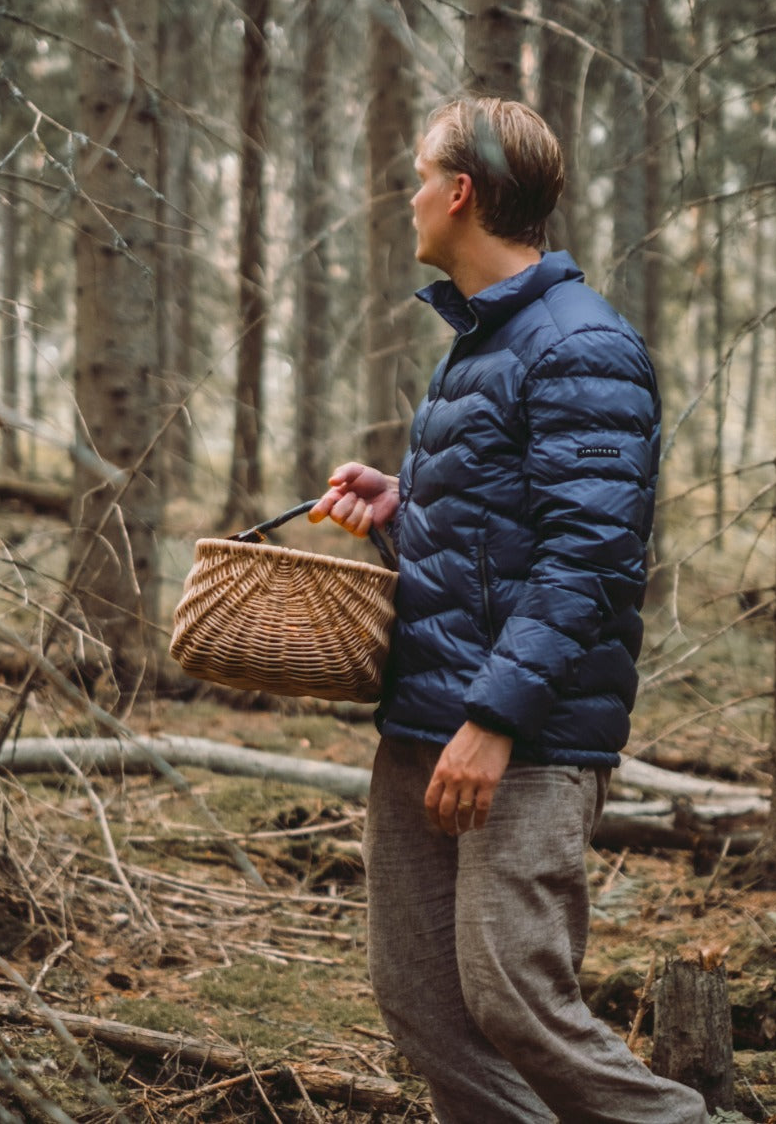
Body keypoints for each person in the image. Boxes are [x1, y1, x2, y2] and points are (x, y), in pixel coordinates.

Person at [311, 97, 708, 1124]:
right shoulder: (481, 341)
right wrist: (405, 509)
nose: (407, 196)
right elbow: (501, 540)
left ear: (460, 192)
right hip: (426, 723)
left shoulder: (582, 346)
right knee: (424, 1006)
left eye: (419, 176)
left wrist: (494, 721)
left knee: (515, 998)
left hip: (522, 737)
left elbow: (591, 556)